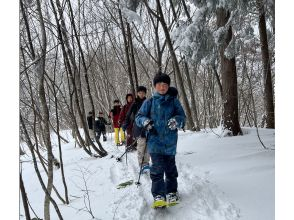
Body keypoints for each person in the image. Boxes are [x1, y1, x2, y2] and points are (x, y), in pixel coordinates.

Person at [135, 72, 186, 208]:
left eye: (165, 85)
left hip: (170, 143)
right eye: (159, 85)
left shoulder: (174, 101)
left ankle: (171, 192)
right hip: (154, 143)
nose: (162, 87)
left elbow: (182, 117)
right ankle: (158, 195)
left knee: (170, 169)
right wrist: (145, 121)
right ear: (155, 86)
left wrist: (177, 121)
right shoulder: (149, 102)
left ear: (168, 86)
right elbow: (138, 117)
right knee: (157, 169)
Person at [122, 86, 150, 172]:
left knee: (148, 147)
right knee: (141, 145)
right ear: (137, 93)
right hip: (138, 127)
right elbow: (128, 114)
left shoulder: (148, 102)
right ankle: (141, 164)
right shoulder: (134, 103)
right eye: (140, 92)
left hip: (148, 127)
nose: (141, 94)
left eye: (143, 92)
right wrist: (125, 124)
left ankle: (146, 163)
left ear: (145, 93)